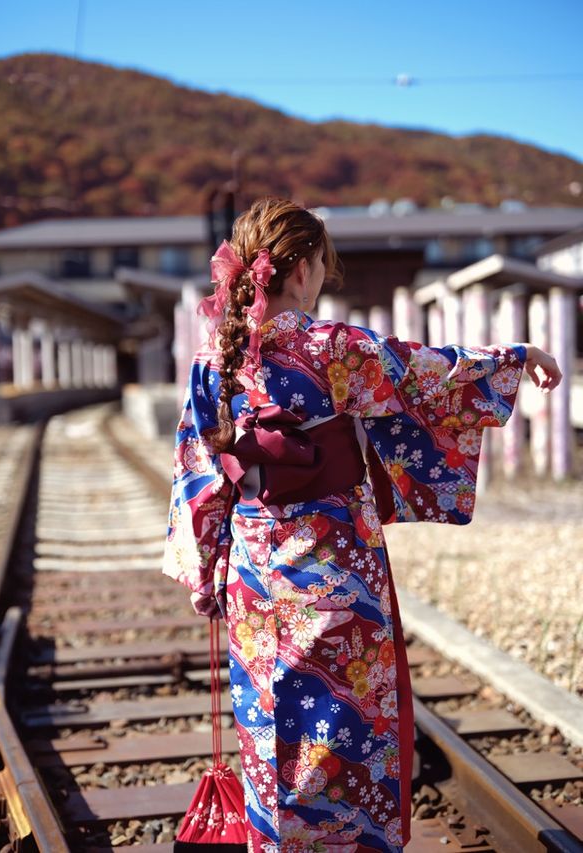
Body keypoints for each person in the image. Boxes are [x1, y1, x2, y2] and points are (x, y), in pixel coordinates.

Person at [162, 197, 562, 853]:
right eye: (322, 261)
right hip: (339, 570)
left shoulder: (217, 357)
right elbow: (428, 377)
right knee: (351, 727)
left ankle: (280, 842)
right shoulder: (335, 348)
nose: (324, 275)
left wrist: (204, 572)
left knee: (272, 729)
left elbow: (198, 473)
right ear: (300, 267)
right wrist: (516, 358)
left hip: (257, 581)